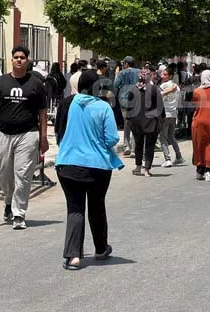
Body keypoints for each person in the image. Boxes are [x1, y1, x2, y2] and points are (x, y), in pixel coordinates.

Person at [53, 70, 124, 270]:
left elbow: (58, 130)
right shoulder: (103, 107)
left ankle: (73, 256)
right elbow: (112, 138)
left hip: (68, 163)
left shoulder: (67, 104)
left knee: (75, 209)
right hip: (98, 166)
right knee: (97, 206)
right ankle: (101, 248)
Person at [0, 46, 49, 230]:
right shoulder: (0, 82)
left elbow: (43, 112)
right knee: (3, 172)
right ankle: (8, 200)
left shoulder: (36, 84)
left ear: (27, 61)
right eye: (16, 57)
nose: (19, 60)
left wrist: (43, 137)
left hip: (28, 134)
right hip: (4, 133)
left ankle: (19, 213)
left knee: (23, 174)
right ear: (11, 60)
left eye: (22, 57)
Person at [126, 68, 165, 177]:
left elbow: (129, 107)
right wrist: (161, 119)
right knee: (149, 146)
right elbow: (160, 107)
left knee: (138, 145)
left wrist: (128, 120)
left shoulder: (133, 89)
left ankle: (138, 167)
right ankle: (147, 169)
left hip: (136, 122)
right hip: (151, 122)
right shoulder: (154, 89)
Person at [114, 56, 140, 156]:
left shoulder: (122, 73)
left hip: (124, 99)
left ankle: (126, 146)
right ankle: (134, 148)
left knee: (127, 122)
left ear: (126, 63)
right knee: (136, 123)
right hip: (137, 98)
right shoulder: (139, 72)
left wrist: (117, 75)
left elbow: (116, 85)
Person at [159, 69, 185, 167]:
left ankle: (167, 159)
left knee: (163, 137)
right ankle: (179, 156)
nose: (162, 76)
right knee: (171, 136)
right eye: (162, 74)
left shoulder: (163, 86)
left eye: (165, 75)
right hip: (174, 114)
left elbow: (157, 96)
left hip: (165, 114)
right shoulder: (176, 87)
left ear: (170, 76)